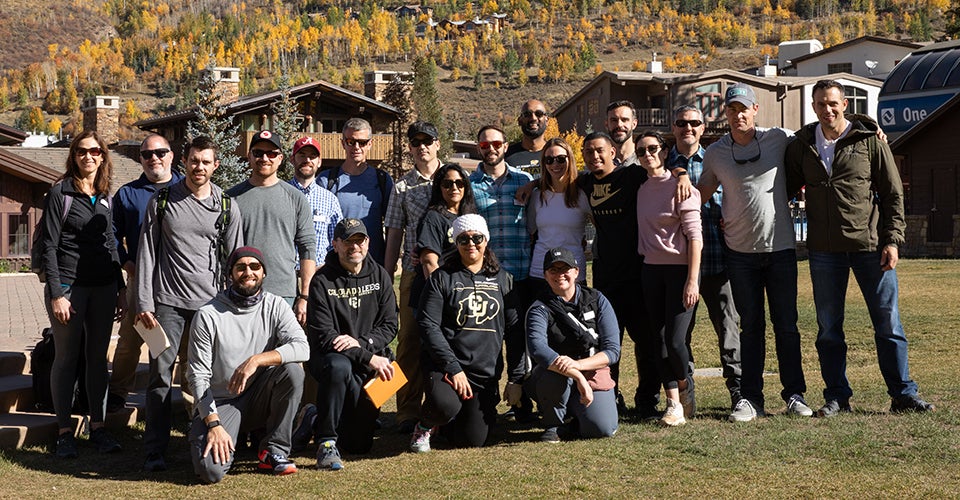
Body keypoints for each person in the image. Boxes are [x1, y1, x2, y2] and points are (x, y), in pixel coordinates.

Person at [784, 79, 934, 416]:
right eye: (821, 104)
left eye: (833, 103)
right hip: (823, 251)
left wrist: (892, 240)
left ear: (845, 105)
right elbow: (783, 188)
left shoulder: (868, 141)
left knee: (888, 324)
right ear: (813, 106)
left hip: (871, 248)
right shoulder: (802, 145)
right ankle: (837, 397)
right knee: (829, 329)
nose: (828, 110)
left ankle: (903, 394)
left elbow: (893, 194)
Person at [698, 83, 813, 422]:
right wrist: (674, 185)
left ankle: (794, 395)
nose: (738, 115)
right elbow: (703, 191)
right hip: (740, 255)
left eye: (744, 108)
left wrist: (870, 128)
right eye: (732, 109)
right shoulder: (716, 152)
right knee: (751, 327)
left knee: (787, 326)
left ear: (755, 110)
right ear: (726, 113)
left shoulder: (778, 138)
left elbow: (817, 137)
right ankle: (750, 399)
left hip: (780, 251)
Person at [136, 135, 244, 472]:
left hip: (210, 307)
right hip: (167, 304)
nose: (199, 167)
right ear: (184, 162)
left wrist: (236, 306)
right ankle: (155, 449)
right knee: (159, 377)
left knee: (207, 376)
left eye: (206, 162)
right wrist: (143, 301)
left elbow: (237, 259)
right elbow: (147, 253)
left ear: (216, 165)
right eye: (194, 160)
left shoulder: (227, 205)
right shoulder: (164, 200)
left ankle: (201, 439)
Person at [187, 247, 309, 483]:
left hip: (259, 395)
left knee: (292, 371)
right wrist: (213, 424)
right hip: (221, 402)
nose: (248, 272)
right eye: (240, 267)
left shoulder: (276, 305)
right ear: (230, 273)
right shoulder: (208, 314)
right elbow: (198, 376)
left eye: (255, 267)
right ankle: (210, 436)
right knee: (210, 471)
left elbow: (302, 348)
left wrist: (256, 360)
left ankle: (274, 450)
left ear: (264, 273)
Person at [40, 131, 126, 458]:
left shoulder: (105, 195)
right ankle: (64, 432)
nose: (87, 156)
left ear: (103, 156)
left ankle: (99, 428)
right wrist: (57, 293)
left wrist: (120, 288)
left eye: (94, 151)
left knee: (97, 358)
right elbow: (49, 245)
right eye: (81, 151)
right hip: (70, 286)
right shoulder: (59, 193)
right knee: (66, 357)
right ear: (73, 155)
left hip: (103, 287)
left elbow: (110, 245)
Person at [412, 214, 524, 451]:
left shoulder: (503, 279)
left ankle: (447, 424)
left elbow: (514, 331)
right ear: (456, 243)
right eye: (463, 239)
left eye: (477, 238)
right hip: (446, 367)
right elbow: (428, 324)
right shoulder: (442, 278)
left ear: (486, 240)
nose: (471, 243)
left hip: (484, 373)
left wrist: (515, 378)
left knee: (472, 440)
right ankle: (424, 425)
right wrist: (453, 368)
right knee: (444, 405)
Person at [304, 218, 399, 470]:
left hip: (367, 360)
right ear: (335, 244)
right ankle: (325, 442)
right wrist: (368, 356)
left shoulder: (380, 275)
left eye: (359, 240)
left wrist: (362, 344)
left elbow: (390, 325)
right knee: (339, 367)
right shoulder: (322, 280)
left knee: (359, 445)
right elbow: (325, 336)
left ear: (367, 243)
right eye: (347, 241)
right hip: (330, 358)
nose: (354, 247)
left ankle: (314, 418)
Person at [668, 105, 742, 414]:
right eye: (682, 123)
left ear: (702, 127)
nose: (688, 127)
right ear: (674, 127)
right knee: (679, 336)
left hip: (719, 258)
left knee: (728, 330)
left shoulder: (716, 159)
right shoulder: (661, 161)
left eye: (694, 123)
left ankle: (740, 393)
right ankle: (686, 398)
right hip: (679, 267)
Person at [108, 134, 184, 412]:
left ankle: (190, 400)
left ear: (171, 155)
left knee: (185, 346)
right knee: (130, 341)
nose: (154, 159)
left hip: (180, 282)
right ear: (140, 159)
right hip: (141, 281)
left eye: (160, 152)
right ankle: (117, 394)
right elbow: (111, 237)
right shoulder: (128, 194)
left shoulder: (186, 187)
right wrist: (127, 264)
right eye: (147, 154)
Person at [635, 131, 703, 427]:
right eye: (641, 151)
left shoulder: (682, 187)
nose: (647, 154)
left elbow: (695, 239)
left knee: (675, 342)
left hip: (679, 271)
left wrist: (692, 280)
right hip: (651, 270)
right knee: (657, 341)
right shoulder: (641, 188)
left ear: (664, 151)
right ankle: (673, 402)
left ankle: (685, 385)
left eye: (653, 148)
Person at [468, 124, 534, 421]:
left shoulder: (525, 180)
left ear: (506, 146)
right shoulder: (469, 185)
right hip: (487, 277)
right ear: (478, 148)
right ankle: (488, 402)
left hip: (521, 273)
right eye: (484, 145)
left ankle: (522, 402)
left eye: (496, 143)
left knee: (520, 340)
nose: (491, 149)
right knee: (489, 342)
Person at [384, 121, 444, 433]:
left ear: (438, 144)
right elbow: (394, 234)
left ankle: (443, 406)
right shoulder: (402, 187)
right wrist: (387, 276)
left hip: (450, 275)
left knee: (446, 338)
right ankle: (406, 410)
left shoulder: (455, 179)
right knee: (408, 341)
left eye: (428, 141)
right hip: (412, 274)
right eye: (416, 142)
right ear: (409, 147)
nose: (422, 146)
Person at [525, 247, 620, 443]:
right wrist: (575, 374)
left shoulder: (597, 300)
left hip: (591, 369)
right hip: (555, 373)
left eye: (565, 269)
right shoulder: (539, 307)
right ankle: (554, 422)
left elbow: (612, 351)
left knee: (602, 428)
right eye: (553, 270)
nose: (560, 275)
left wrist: (579, 366)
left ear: (576, 272)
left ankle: (575, 418)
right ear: (545, 275)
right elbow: (537, 348)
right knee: (551, 378)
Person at [227, 130, 316, 324]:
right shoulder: (231, 198)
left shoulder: (295, 198)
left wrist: (305, 296)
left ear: (281, 158)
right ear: (249, 156)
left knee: (281, 353)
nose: (264, 158)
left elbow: (307, 248)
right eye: (258, 153)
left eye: (272, 153)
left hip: (283, 294)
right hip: (241, 292)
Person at [318, 118, 395, 265]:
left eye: (363, 142)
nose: (357, 147)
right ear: (343, 143)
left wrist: (389, 266)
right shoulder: (326, 180)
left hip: (373, 264)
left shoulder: (382, 180)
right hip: (336, 265)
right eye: (351, 142)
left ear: (370, 144)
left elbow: (393, 227)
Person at [526, 137, 590, 291]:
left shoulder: (582, 195)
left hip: (572, 273)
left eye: (561, 159)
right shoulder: (537, 196)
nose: (555, 164)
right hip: (541, 271)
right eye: (549, 160)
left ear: (570, 159)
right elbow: (531, 233)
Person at [412, 163, 478, 308]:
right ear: (439, 187)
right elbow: (429, 261)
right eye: (447, 184)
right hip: (437, 296)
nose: (454, 188)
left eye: (459, 183)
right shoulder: (433, 218)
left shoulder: (470, 217)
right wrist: (441, 297)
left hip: (461, 292)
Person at [289, 136, 343, 264]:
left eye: (312, 156)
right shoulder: (280, 194)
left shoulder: (330, 200)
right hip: (286, 274)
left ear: (319, 162)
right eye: (302, 155)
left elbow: (337, 242)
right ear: (292, 159)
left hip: (319, 274)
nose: (307, 160)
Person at [505, 99, 550, 175]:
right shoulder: (506, 156)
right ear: (519, 121)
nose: (533, 118)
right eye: (527, 114)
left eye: (539, 114)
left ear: (547, 120)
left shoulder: (556, 154)